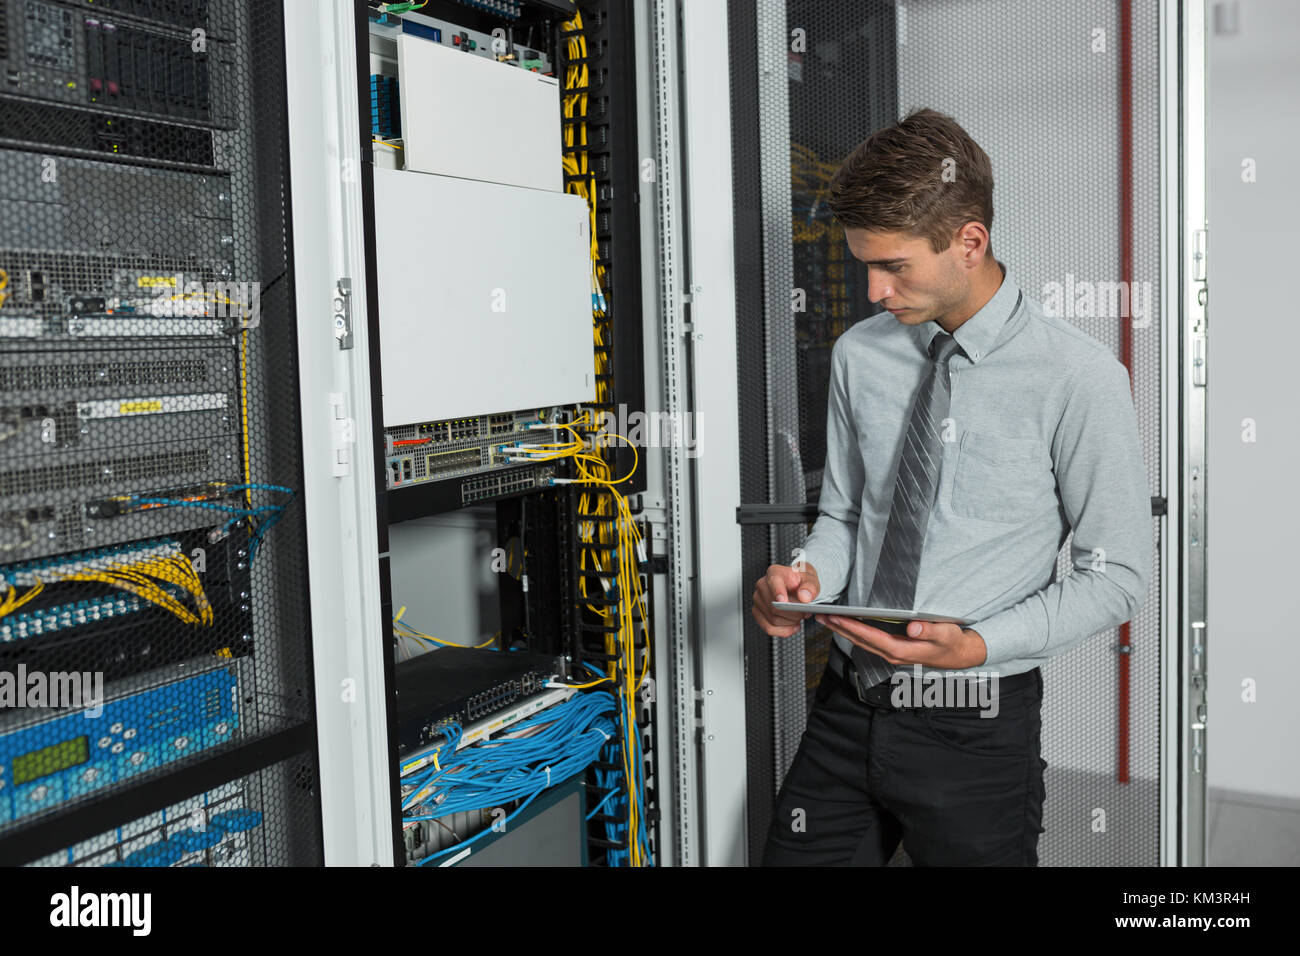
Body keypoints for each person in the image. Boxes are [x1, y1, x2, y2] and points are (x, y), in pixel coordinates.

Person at [751, 108, 1152, 866]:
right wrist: (804, 577)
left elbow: (1118, 579)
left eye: (894, 266)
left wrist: (974, 647)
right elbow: (844, 514)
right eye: (862, 264)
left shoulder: (1079, 377)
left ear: (970, 241)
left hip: (974, 720)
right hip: (847, 707)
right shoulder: (859, 356)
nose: (873, 291)